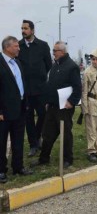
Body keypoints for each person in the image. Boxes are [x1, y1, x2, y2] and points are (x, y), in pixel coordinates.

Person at [33, 41, 81, 168]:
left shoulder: (72, 66)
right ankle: (43, 158)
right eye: (53, 51)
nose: (53, 53)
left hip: (64, 108)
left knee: (65, 134)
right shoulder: (55, 66)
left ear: (62, 52)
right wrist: (47, 101)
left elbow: (78, 88)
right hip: (53, 106)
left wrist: (71, 102)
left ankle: (67, 159)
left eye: (55, 51)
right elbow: (51, 85)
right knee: (47, 133)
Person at [0, 36, 33, 183]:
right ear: (7, 48)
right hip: (4, 112)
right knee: (1, 141)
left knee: (18, 140)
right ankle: (1, 170)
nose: (19, 48)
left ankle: (18, 167)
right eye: (16, 46)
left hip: (20, 108)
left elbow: (22, 84)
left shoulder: (17, 63)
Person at [18, 20, 52, 157]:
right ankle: (33, 145)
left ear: (32, 30)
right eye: (22, 28)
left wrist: (43, 78)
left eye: (25, 28)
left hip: (41, 89)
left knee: (43, 115)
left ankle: (37, 136)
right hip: (26, 90)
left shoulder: (43, 46)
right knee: (28, 118)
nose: (23, 31)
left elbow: (49, 65)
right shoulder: (19, 46)